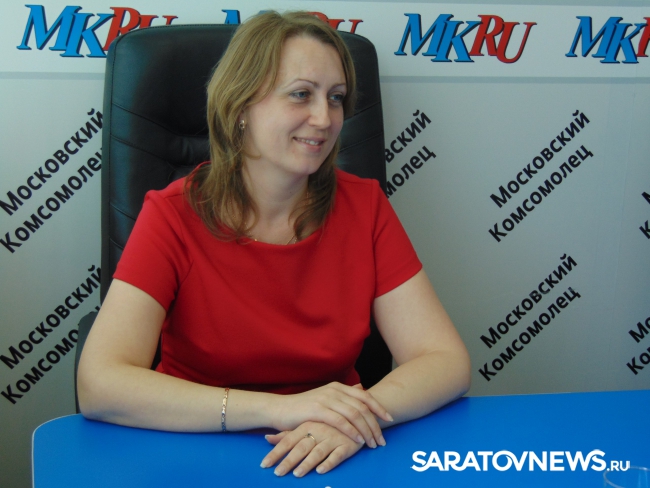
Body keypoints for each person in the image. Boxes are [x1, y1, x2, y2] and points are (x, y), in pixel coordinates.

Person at [77, 11, 471, 478]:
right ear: (240, 106)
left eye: (336, 98)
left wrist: (349, 420)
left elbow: (445, 360)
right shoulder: (173, 214)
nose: (325, 119)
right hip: (193, 447)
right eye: (301, 94)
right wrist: (279, 409)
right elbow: (99, 383)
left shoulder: (364, 206)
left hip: (327, 452)